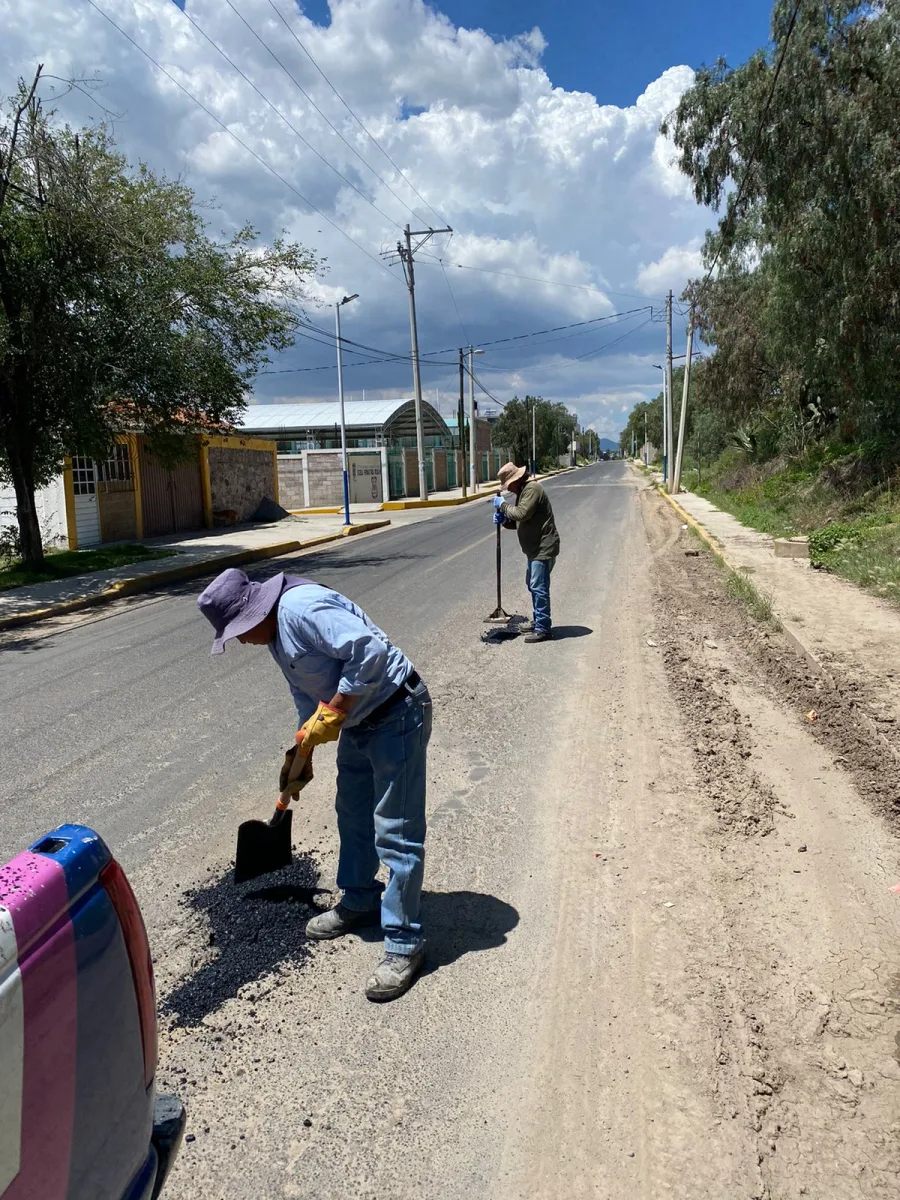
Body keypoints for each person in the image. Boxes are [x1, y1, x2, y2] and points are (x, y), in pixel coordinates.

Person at [197, 568, 431, 1002]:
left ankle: (404, 943)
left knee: (394, 828)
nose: (241, 642)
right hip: (361, 721)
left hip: (397, 711)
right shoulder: (273, 637)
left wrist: (336, 712)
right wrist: (302, 750)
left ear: (253, 614)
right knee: (352, 813)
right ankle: (360, 898)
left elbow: (370, 650)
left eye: (237, 632)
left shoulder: (302, 609)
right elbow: (308, 694)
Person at [494, 462, 560, 642]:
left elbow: (522, 514)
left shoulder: (532, 489)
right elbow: (520, 521)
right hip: (534, 549)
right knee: (532, 585)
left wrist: (503, 506)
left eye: (508, 485)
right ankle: (539, 620)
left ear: (515, 480)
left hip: (543, 547)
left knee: (539, 587)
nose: (508, 490)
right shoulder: (523, 493)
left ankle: (543, 628)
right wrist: (504, 521)